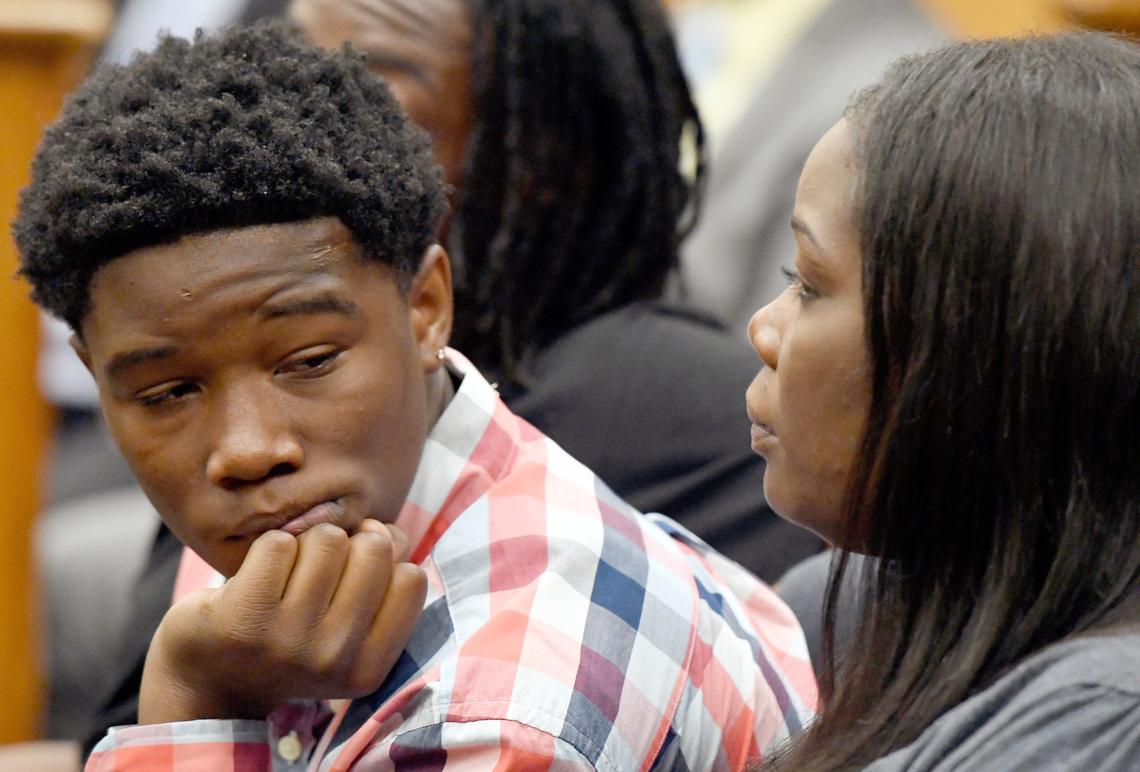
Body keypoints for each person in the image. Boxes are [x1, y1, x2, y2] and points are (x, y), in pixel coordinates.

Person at [15, 22, 815, 770]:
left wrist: (193, 699)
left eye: (310, 360)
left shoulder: (501, 712)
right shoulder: (315, 513)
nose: (249, 449)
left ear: (427, 307)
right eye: (168, 393)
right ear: (95, 376)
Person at [743, 32, 1139, 770]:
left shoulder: (1102, 728)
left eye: (810, 284)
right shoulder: (844, 608)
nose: (763, 328)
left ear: (981, 351)